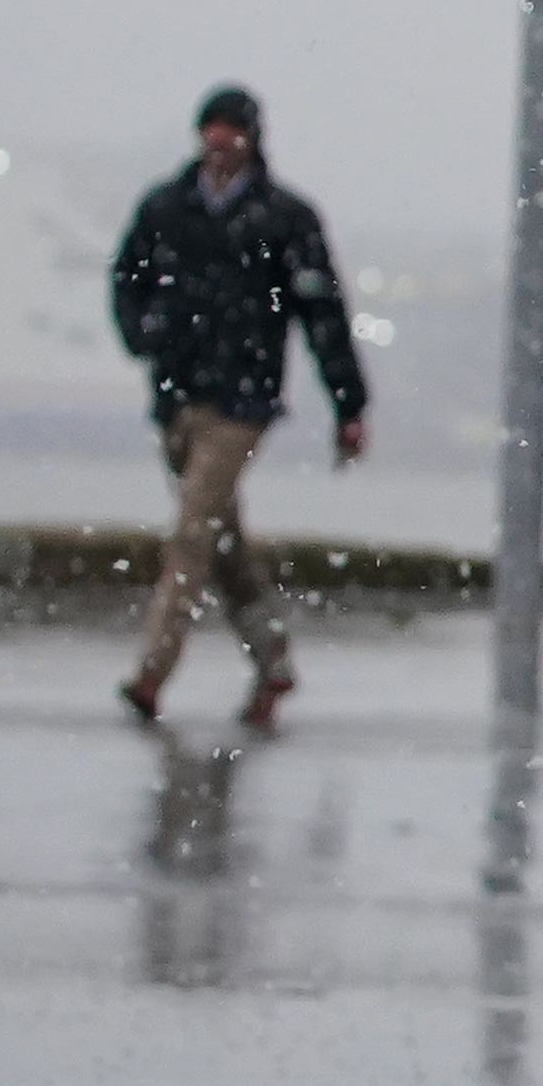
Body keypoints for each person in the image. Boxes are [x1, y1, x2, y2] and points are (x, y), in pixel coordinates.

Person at [106, 85, 368, 728]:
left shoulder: (285, 219)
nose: (220, 143)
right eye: (211, 130)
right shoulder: (166, 208)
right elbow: (126, 278)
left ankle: (151, 674)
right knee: (221, 544)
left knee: (192, 535)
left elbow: (322, 313)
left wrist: (348, 404)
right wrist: (147, 337)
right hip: (176, 395)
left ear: (252, 139)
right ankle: (273, 662)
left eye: (232, 131)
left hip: (241, 402)